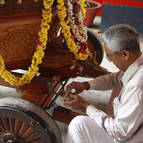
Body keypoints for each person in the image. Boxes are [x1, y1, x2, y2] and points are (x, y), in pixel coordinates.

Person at [64, 24, 143, 143]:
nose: (109, 60)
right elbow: (115, 79)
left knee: (78, 125)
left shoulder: (137, 85)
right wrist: (86, 85)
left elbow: (119, 132)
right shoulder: (137, 64)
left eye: (110, 56)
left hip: (129, 138)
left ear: (125, 54)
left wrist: (86, 107)